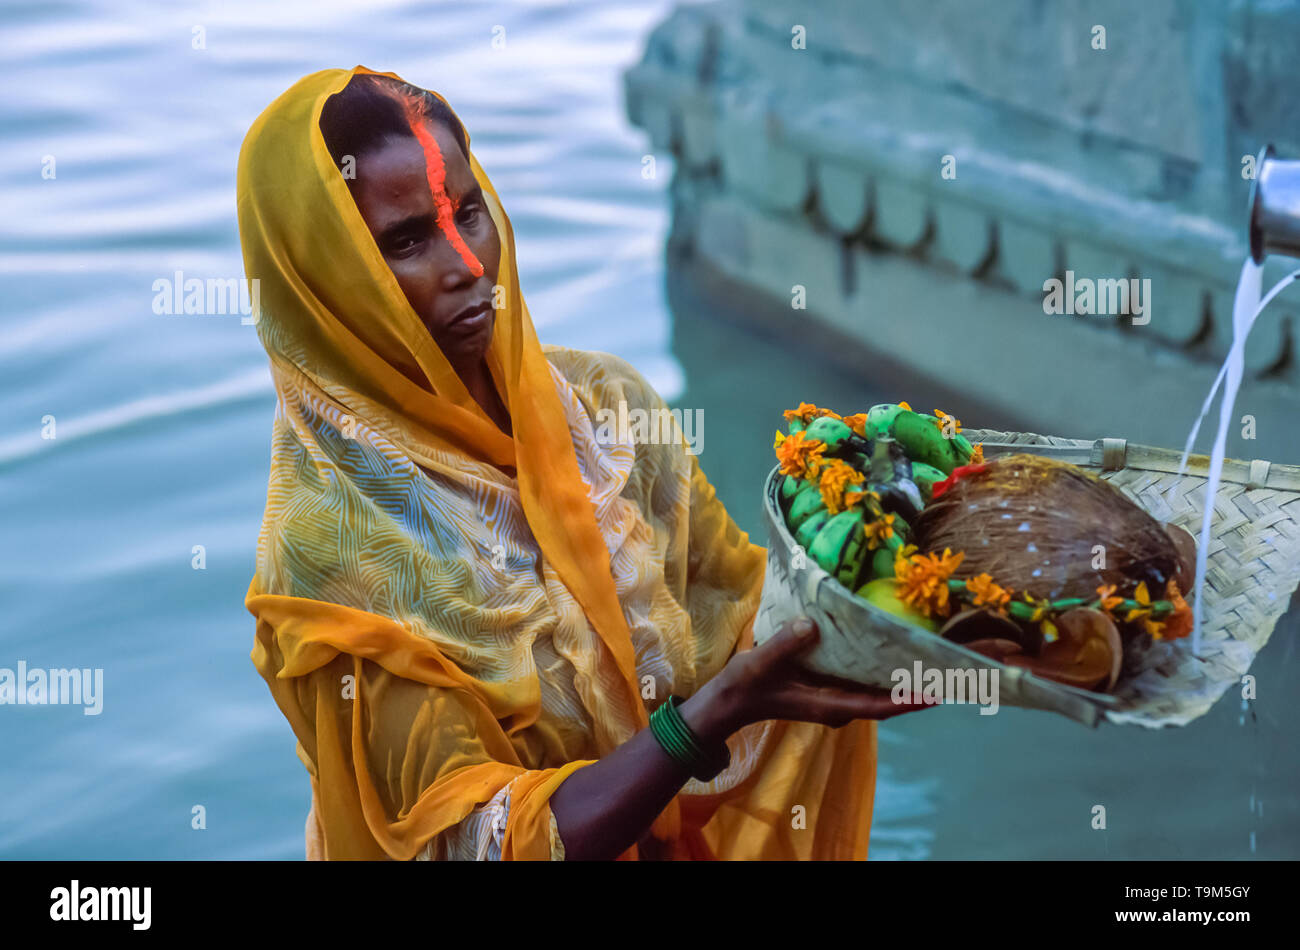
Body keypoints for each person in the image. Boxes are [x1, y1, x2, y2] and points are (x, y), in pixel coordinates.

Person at [238, 66, 933, 861]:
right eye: (406, 240)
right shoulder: (330, 547)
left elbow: (746, 623)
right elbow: (474, 841)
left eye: (470, 212)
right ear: (323, 281)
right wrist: (712, 715)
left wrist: (900, 580)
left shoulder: (607, 408)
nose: (467, 262)